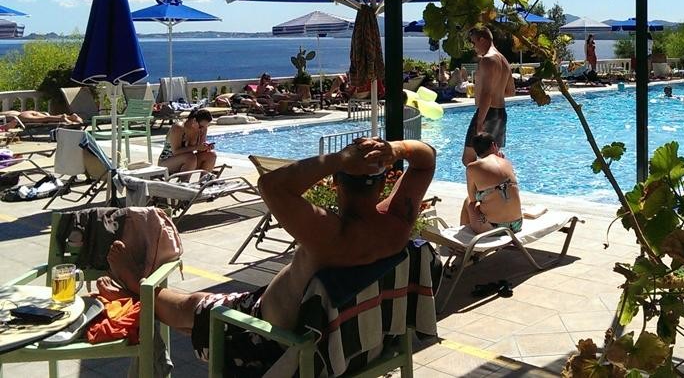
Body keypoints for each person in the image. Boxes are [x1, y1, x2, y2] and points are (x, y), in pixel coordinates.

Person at [96, 137, 435, 373]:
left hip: (266, 339)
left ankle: (138, 285)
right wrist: (396, 149)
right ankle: (144, 292)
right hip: (337, 341)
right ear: (384, 184)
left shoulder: (329, 233)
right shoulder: (396, 225)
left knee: (194, 307)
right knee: (200, 314)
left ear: (335, 183)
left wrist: (338, 159)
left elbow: (271, 185)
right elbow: (425, 159)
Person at [462, 26, 514, 166]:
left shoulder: (487, 60)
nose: (474, 47)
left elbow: (487, 94)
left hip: (488, 114)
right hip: (500, 114)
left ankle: (480, 182)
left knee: (468, 160)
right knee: (493, 160)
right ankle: (501, 180)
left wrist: (480, 123)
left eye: (474, 42)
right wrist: (497, 92)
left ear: (482, 40)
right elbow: (510, 91)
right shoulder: (504, 60)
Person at [462, 133, 522, 234]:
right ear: (494, 145)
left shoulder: (472, 167)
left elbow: (473, 199)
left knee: (468, 202)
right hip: (517, 224)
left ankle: (462, 237)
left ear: (476, 151)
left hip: (493, 227)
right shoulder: (507, 163)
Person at [158, 109, 217, 174]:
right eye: (201, 126)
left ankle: (205, 179)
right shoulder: (179, 128)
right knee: (190, 157)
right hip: (167, 161)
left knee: (211, 155)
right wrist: (197, 147)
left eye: (206, 126)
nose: (203, 129)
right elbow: (175, 151)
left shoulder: (202, 129)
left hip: (188, 161)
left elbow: (200, 149)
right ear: (194, 120)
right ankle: (184, 180)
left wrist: (206, 147)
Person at [0, 110, 84, 127]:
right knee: (45, 117)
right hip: (26, 112)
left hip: (21, 116)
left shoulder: (2, 116)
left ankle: (62, 118)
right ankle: (71, 117)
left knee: (45, 118)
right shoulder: (4, 112)